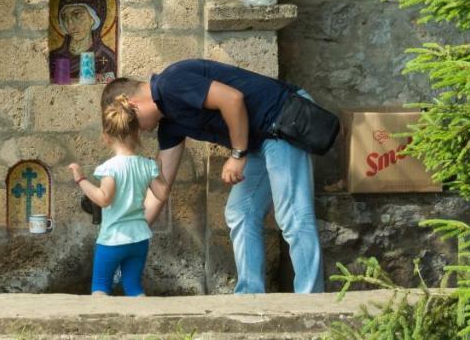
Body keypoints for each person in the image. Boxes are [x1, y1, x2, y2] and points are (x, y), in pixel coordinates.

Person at [103, 59, 324, 294]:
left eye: (133, 125)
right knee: (241, 211)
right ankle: (250, 296)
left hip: (282, 119)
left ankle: (311, 300)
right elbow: (160, 190)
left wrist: (237, 154)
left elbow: (232, 99)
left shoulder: (172, 83)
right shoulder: (170, 124)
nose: (140, 132)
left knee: (292, 213)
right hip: (260, 139)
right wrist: (127, 231)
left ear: (134, 105)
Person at [68, 93, 170, 296]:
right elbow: (162, 194)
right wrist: (158, 170)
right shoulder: (147, 165)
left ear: (106, 137)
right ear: (136, 134)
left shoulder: (110, 168)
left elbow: (104, 199)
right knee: (133, 287)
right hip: (139, 239)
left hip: (113, 239)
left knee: (100, 287)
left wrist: (81, 180)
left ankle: (102, 326)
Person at [48, 0, 117, 82]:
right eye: (64, 18)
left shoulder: (105, 58)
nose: (70, 25)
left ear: (93, 18)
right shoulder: (55, 57)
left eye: (77, 15)